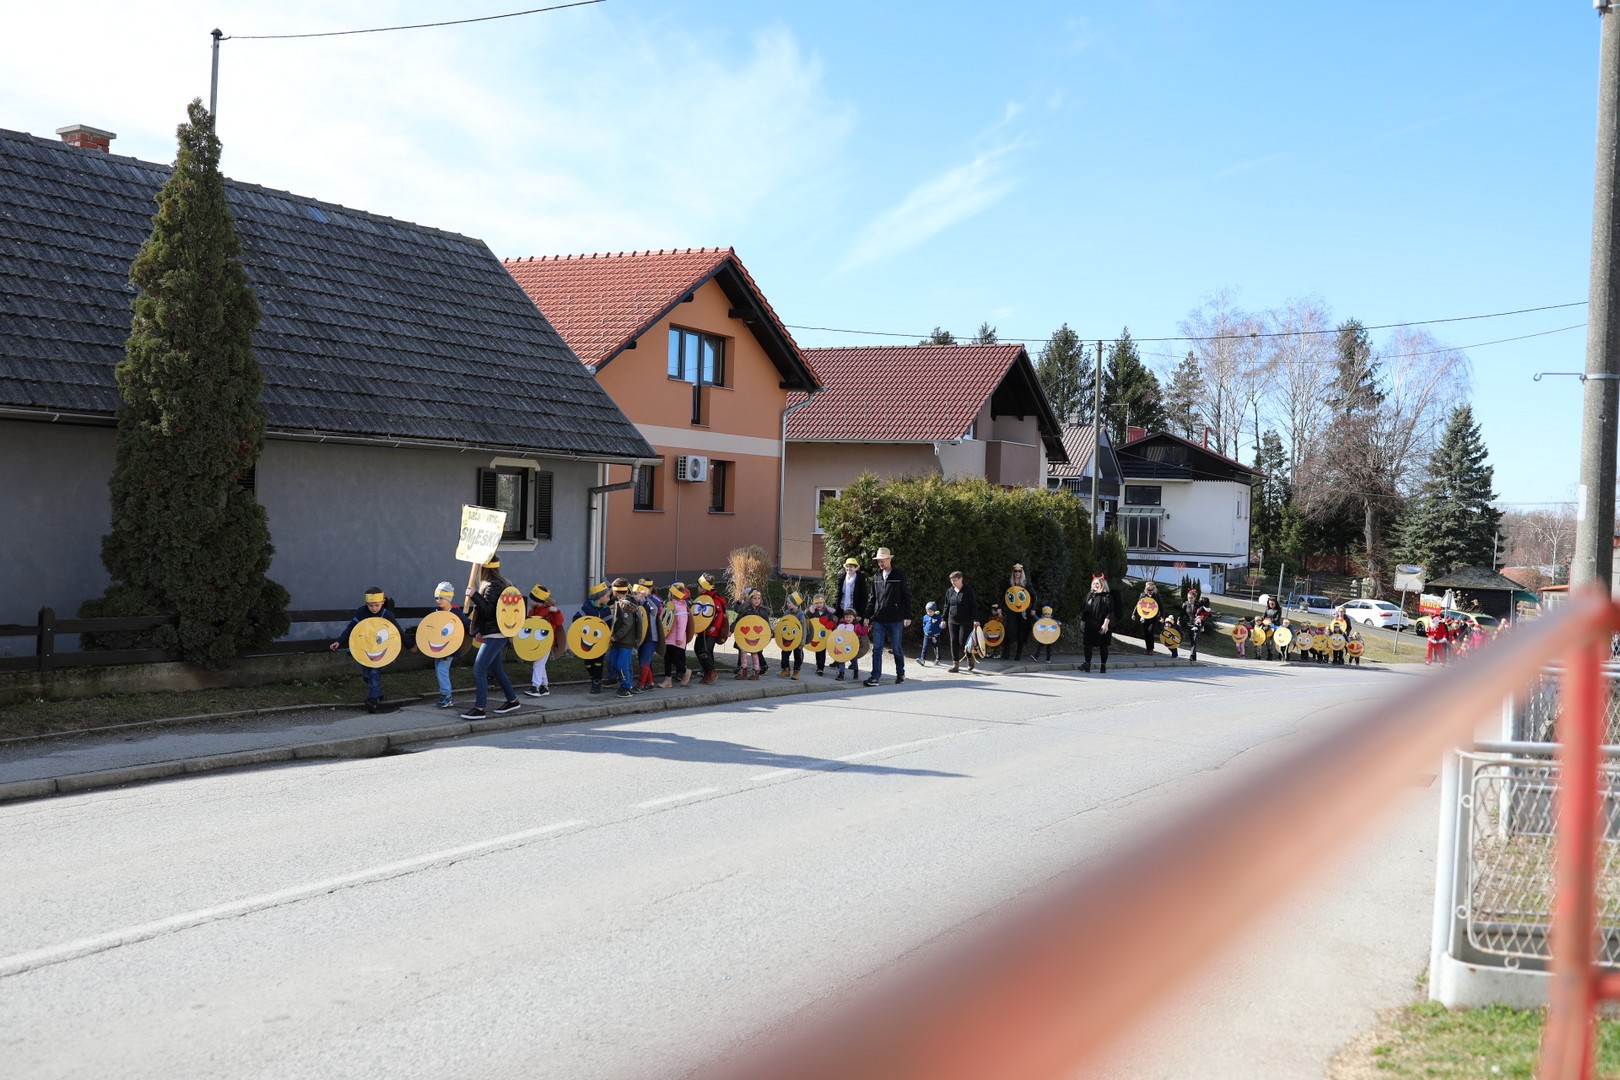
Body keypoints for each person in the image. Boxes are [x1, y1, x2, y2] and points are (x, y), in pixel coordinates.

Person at [461, 557, 522, 720]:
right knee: (495, 670)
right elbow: (491, 612)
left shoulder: (493, 585)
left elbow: (487, 610)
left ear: (483, 569)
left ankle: (480, 708)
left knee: (479, 669)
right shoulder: (498, 583)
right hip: (494, 632)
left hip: (496, 634)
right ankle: (513, 701)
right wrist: (480, 631)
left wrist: (474, 595)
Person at [329, 586, 400, 713]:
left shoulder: (387, 615)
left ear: (382, 602)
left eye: (377, 605)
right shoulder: (361, 612)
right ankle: (378, 692)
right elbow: (351, 628)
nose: (374, 608)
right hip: (365, 650)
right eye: (370, 605)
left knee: (374, 673)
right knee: (367, 675)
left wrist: (410, 645)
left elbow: (398, 631)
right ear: (366, 603)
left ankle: (373, 701)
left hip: (380, 651)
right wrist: (339, 641)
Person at [862, 545, 912, 687]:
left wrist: (907, 615)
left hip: (896, 618)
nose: (880, 563)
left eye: (882, 560)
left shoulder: (899, 575)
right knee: (877, 648)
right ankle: (875, 677)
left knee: (896, 648)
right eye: (878, 561)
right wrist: (867, 615)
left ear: (889, 560)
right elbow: (873, 598)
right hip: (879, 618)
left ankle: (900, 673)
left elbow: (906, 596)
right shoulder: (876, 576)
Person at [523, 584, 564, 698]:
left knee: (538, 664)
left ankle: (535, 687)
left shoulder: (549, 611)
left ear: (537, 601)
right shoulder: (533, 611)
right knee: (541, 664)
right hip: (537, 642)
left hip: (546, 642)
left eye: (532, 599)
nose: (530, 601)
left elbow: (559, 621)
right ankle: (544, 687)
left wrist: (556, 611)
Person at [575, 581, 613, 693]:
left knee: (598, 662)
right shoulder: (587, 607)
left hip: (600, 641)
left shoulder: (606, 609)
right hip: (586, 642)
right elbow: (576, 619)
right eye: (607, 596)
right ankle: (593, 677)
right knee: (588, 663)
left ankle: (597, 682)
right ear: (600, 597)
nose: (609, 599)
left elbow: (610, 625)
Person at [606, 578, 641, 697]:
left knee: (622, 665)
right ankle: (626, 684)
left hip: (625, 641)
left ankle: (626, 687)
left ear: (615, 592)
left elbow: (627, 624)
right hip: (619, 641)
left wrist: (616, 636)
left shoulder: (625, 604)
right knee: (615, 664)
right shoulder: (621, 601)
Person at [693, 573, 728, 685]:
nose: (698, 589)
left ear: (704, 587)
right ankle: (707, 671)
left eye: (699, 586)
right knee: (698, 649)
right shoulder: (703, 598)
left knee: (704, 651)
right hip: (702, 629)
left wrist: (714, 626)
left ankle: (711, 672)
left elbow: (720, 613)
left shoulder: (715, 598)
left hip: (711, 630)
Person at [1081, 573, 1119, 673]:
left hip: (1103, 624)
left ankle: (1103, 666)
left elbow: (1110, 611)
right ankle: (1087, 664)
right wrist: (1082, 621)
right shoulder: (1090, 595)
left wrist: (1105, 624)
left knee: (1103, 645)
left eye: (1097, 583)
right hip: (1090, 623)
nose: (1095, 585)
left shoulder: (1107, 596)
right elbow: (1086, 610)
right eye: (1094, 583)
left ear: (1103, 584)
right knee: (1087, 644)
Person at [944, 571, 980, 673]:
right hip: (952, 620)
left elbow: (973, 605)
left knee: (964, 642)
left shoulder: (968, 590)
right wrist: (943, 619)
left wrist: (976, 619)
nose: (953, 582)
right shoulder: (950, 591)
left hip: (966, 620)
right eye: (951, 581)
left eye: (955, 580)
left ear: (961, 579)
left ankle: (969, 658)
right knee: (953, 641)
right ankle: (955, 664)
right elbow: (946, 606)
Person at [661, 581, 691, 688]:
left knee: (674, 659)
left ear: (673, 594)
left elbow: (682, 624)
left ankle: (685, 671)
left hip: (677, 639)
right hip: (669, 637)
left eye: (670, 592)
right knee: (667, 659)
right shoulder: (670, 605)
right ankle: (667, 680)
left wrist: (679, 638)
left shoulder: (681, 606)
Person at [635, 578, 663, 691]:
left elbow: (655, 608)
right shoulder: (639, 600)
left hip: (651, 636)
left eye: (645, 588)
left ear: (650, 589)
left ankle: (641, 685)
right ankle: (650, 683)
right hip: (642, 636)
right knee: (643, 660)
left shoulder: (654, 600)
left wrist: (645, 598)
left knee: (644, 661)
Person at [1006, 563, 1038, 662]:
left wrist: (1033, 609)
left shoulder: (1026, 583)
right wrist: (1000, 607)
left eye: (1019, 571)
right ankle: (1006, 653)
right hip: (1012, 610)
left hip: (1023, 611)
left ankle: (1018, 654)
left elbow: (1034, 596)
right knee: (1009, 630)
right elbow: (1005, 595)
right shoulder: (1010, 583)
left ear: (1022, 572)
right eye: (1015, 571)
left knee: (1022, 632)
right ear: (1013, 572)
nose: (1017, 573)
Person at [735, 588, 769, 680]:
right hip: (745, 636)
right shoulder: (745, 609)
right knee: (743, 651)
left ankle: (756, 672)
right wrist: (731, 630)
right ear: (750, 599)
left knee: (755, 652)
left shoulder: (762, 611)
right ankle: (743, 671)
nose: (757, 600)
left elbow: (766, 624)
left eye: (758, 598)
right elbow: (738, 619)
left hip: (756, 637)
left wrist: (770, 633)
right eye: (754, 598)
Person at [832, 608, 867, 682]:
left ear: (854, 617)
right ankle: (841, 674)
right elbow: (836, 633)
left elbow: (862, 632)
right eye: (846, 617)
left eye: (850, 617)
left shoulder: (856, 625)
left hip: (852, 646)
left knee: (853, 660)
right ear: (844, 617)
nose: (848, 619)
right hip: (842, 645)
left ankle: (856, 672)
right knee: (841, 659)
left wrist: (865, 627)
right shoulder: (841, 624)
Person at [834, 556, 869, 628]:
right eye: (847, 566)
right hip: (842, 610)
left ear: (855, 568)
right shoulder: (841, 578)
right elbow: (837, 595)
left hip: (854, 612)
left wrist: (860, 614)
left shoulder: (860, 579)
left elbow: (864, 598)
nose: (848, 568)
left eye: (851, 567)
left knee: (853, 632)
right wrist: (834, 610)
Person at [778, 590, 806, 680]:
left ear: (796, 603)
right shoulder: (787, 613)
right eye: (787, 602)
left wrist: (802, 642)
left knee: (798, 655)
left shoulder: (801, 616)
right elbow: (782, 624)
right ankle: (786, 670)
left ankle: (796, 671)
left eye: (789, 602)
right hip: (786, 639)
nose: (787, 604)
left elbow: (804, 630)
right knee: (785, 653)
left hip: (797, 640)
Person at [807, 593, 835, 676]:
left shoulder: (828, 613)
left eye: (820, 603)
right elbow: (806, 619)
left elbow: (832, 623)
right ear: (814, 604)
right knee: (817, 650)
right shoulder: (813, 612)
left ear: (824, 603)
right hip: (815, 635)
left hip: (824, 636)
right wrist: (810, 612)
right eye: (816, 603)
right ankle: (818, 666)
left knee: (822, 651)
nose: (819, 605)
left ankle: (821, 668)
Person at [1182, 584, 1210, 663]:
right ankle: (1194, 656)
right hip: (1189, 624)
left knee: (1194, 639)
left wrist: (1202, 617)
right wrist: (1179, 620)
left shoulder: (1199, 604)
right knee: (1192, 640)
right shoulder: (1185, 604)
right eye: (1188, 597)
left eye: (1191, 598)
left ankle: (1191, 656)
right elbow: (1182, 614)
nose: (1189, 599)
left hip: (1198, 624)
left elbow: (1207, 612)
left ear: (1195, 598)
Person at [1135, 581, 1165, 656]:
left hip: (1154, 617)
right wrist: (1134, 614)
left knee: (1150, 631)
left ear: (1153, 589)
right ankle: (1148, 649)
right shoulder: (1143, 595)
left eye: (1151, 590)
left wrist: (1162, 617)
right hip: (1145, 617)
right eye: (1148, 590)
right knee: (1145, 633)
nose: (1150, 591)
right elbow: (1138, 605)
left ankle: (1151, 649)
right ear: (1146, 589)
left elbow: (1161, 607)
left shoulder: (1157, 596)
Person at [920, 600, 944, 665]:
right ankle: (922, 659)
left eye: (930, 611)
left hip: (935, 635)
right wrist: (925, 631)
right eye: (927, 611)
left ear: (934, 611)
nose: (929, 613)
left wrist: (940, 628)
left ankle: (938, 659)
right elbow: (924, 624)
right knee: (925, 647)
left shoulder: (938, 617)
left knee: (936, 647)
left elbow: (941, 626)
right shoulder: (925, 617)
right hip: (927, 635)